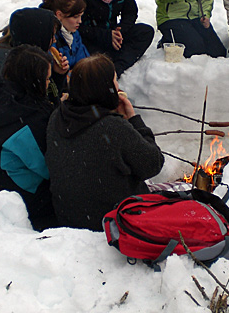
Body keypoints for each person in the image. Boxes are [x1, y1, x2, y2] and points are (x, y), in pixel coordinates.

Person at [45, 54, 165, 231]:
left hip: (69, 217)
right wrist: (133, 120)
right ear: (106, 88)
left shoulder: (58, 116)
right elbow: (153, 164)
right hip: (114, 221)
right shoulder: (111, 127)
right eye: (115, 81)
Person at [0, 45, 58, 231]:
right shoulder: (27, 121)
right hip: (17, 197)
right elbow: (51, 169)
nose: (49, 83)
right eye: (47, 79)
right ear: (32, 80)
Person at [71, 0, 154, 77]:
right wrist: (106, 36)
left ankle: (116, 68)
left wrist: (120, 30)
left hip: (114, 34)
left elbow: (130, 13)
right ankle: (105, 64)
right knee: (86, 51)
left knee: (145, 32)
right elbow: (77, 26)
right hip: (92, 38)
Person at [0, 7, 69, 105]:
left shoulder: (26, 50)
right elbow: (33, 106)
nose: (55, 40)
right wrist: (55, 104)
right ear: (36, 36)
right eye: (51, 36)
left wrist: (58, 74)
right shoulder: (10, 64)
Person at [39, 0, 90, 70]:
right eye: (75, 17)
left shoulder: (74, 34)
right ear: (59, 15)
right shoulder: (51, 38)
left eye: (81, 16)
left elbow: (84, 60)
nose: (80, 21)